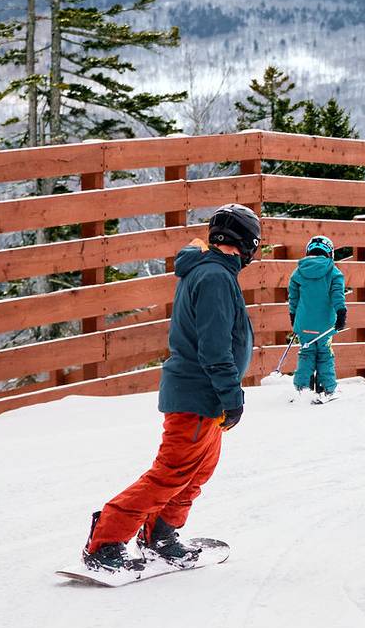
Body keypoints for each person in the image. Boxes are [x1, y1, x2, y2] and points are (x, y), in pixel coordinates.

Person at [83, 204, 260, 572]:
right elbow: (214, 348)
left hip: (206, 397)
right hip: (198, 393)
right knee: (172, 472)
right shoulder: (213, 277)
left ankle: (160, 532)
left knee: (197, 471)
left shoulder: (212, 272)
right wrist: (233, 396)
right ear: (247, 243)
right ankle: (107, 538)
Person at [287, 233, 347, 402]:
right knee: (325, 354)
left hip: (303, 323)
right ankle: (327, 389)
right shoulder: (333, 272)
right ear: (330, 253)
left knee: (306, 353)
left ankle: (301, 388)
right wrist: (341, 313)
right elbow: (337, 295)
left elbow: (293, 298)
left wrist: (293, 318)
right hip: (325, 325)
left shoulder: (299, 272)